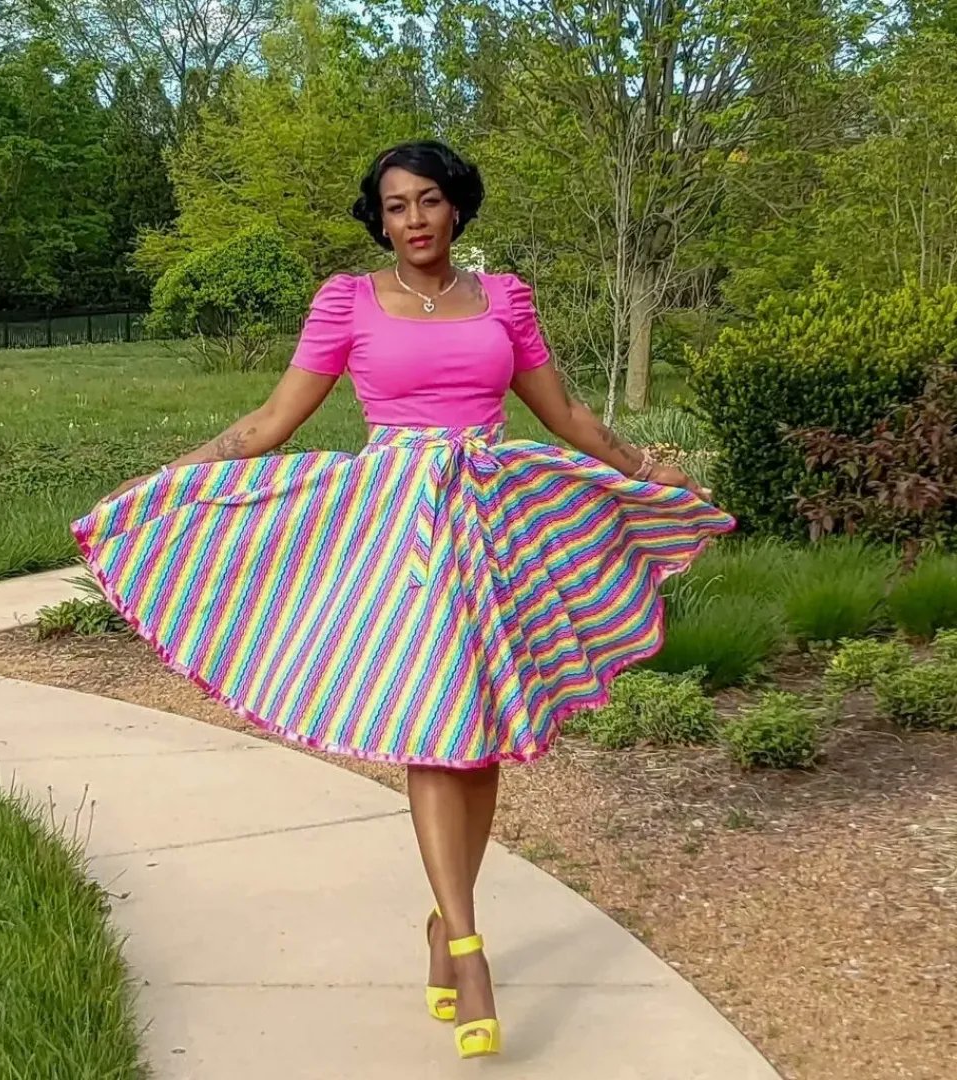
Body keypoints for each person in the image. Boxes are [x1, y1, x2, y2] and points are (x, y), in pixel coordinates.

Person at [74, 140, 734, 1061]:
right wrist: (169, 479)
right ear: (377, 218)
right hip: (399, 533)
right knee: (435, 726)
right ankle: (467, 948)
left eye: (428, 200)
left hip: (494, 528)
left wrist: (645, 468)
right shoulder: (347, 302)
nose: (413, 219)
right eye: (395, 206)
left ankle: (438, 923)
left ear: (456, 207)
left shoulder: (504, 298)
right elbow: (271, 421)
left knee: (479, 735)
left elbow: (567, 417)